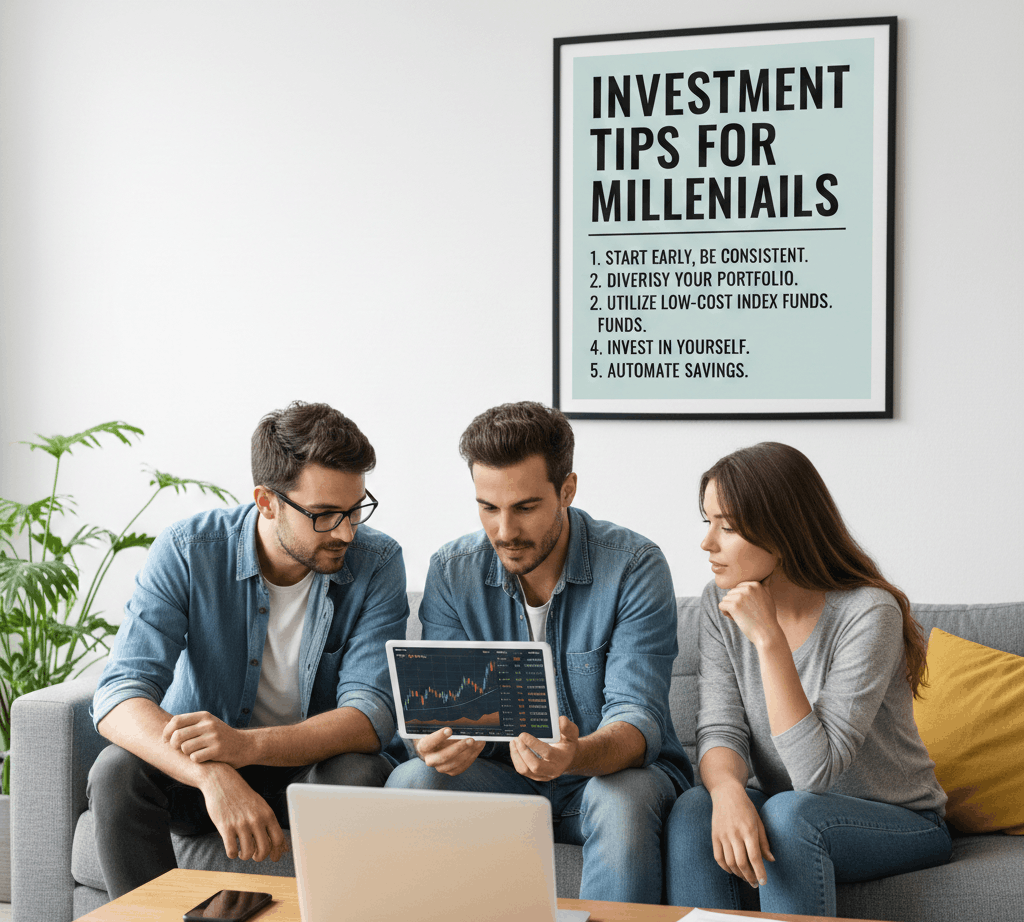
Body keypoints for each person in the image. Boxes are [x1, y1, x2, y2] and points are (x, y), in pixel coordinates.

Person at [89, 401, 408, 898]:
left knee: (359, 770)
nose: (346, 531)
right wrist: (213, 773)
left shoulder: (378, 562)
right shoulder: (188, 551)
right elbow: (119, 696)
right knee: (116, 772)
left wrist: (246, 747)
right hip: (204, 779)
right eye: (324, 515)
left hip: (313, 775)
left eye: (355, 510)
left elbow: (369, 717)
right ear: (266, 501)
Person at [385, 401, 692, 904]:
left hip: (607, 777)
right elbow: (441, 712)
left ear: (567, 490)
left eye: (525, 507)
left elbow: (637, 721)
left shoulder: (635, 566)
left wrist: (573, 755)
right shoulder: (452, 570)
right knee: (413, 780)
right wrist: (438, 742)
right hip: (503, 783)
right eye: (488, 507)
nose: (504, 531)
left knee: (622, 797)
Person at [664, 442, 950, 917]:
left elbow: (814, 774)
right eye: (707, 521)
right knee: (696, 808)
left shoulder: (867, 613)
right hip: (791, 810)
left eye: (727, 527)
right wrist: (729, 792)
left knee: (789, 814)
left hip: (903, 821)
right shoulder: (720, 605)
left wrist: (770, 640)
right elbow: (719, 729)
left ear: (783, 533)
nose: (707, 542)